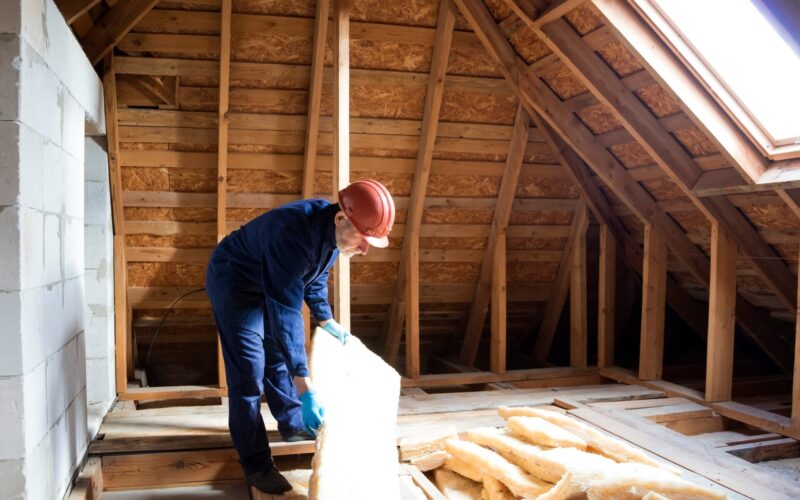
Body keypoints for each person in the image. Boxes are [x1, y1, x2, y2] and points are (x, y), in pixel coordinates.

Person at [205, 179, 395, 494]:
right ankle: (256, 465)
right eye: (363, 239)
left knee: (277, 356)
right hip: (234, 282)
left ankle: (293, 425)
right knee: (249, 373)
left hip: (268, 278)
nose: (363, 249)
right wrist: (305, 386)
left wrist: (327, 319)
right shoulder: (291, 235)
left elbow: (314, 278)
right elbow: (285, 312)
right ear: (341, 218)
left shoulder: (334, 235)